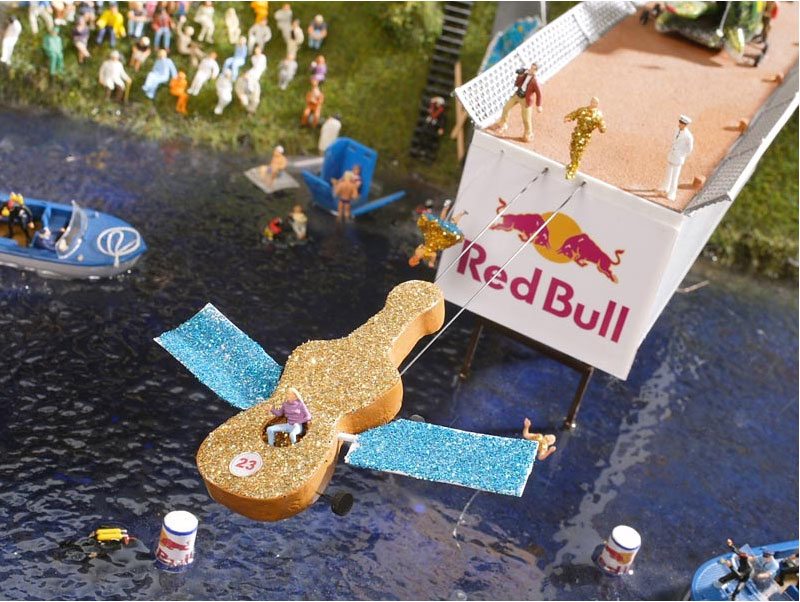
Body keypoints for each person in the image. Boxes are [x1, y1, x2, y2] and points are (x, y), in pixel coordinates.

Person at [492, 62, 542, 143]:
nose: (531, 69)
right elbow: (517, 83)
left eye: (533, 69)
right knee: (506, 108)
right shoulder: (525, 74)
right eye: (531, 67)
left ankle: (528, 134)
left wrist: (539, 105)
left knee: (526, 118)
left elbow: (539, 94)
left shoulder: (535, 81)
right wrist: (520, 75)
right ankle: (503, 124)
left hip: (526, 99)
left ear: (536, 71)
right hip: (517, 94)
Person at [563, 96, 606, 180]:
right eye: (592, 101)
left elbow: (602, 128)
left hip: (585, 136)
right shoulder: (583, 110)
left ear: (597, 104)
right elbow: (574, 114)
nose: (593, 103)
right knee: (572, 149)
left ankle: (573, 170)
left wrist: (602, 127)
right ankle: (572, 164)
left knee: (578, 152)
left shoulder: (598, 115)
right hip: (576, 133)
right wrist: (568, 118)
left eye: (595, 102)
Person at [661, 115, 694, 202]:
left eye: (682, 123)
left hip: (678, 158)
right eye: (680, 122)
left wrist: (681, 154)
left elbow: (689, 149)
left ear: (685, 125)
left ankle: (672, 193)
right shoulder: (677, 130)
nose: (680, 124)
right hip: (672, 155)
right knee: (668, 173)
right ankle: (665, 187)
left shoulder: (688, 136)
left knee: (675, 177)